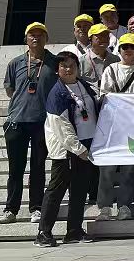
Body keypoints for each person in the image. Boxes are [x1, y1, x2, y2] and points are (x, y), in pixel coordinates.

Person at [0, 23, 59, 226]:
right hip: (17, 121)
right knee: (15, 168)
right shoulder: (16, 63)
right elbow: (10, 89)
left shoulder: (54, 62)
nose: (36, 38)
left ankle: (36, 208)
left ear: (46, 39)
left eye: (41, 35)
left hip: (43, 122)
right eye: (32, 35)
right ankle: (10, 209)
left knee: (38, 167)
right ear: (26, 39)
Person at [34, 51, 99, 246]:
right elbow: (62, 128)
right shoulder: (57, 93)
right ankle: (43, 232)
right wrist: (79, 150)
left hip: (86, 145)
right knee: (56, 190)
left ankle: (74, 231)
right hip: (66, 151)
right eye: (64, 66)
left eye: (72, 65)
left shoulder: (84, 85)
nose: (68, 69)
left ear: (78, 68)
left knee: (79, 191)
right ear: (57, 69)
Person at [96, 33, 134, 221]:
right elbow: (106, 95)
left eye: (132, 47)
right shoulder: (111, 69)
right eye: (124, 47)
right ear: (119, 50)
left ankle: (125, 206)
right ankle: (104, 207)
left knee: (129, 169)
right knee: (107, 169)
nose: (128, 50)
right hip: (112, 125)